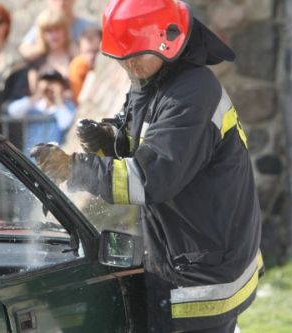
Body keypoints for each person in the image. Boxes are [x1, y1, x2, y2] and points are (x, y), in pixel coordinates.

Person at [30, 1, 263, 332]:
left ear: (168, 40)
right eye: (122, 56)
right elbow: (151, 141)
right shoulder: (158, 78)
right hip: (191, 249)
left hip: (203, 271)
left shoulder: (192, 94)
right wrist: (111, 140)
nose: (129, 64)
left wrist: (75, 169)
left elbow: (150, 178)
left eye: (135, 54)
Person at [7, 68, 75, 155]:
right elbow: (13, 111)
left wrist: (58, 97)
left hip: (55, 160)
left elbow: (65, 124)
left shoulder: (66, 106)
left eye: (54, 82)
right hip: (32, 157)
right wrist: (37, 95)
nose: (50, 85)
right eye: (46, 81)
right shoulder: (32, 105)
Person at [18, 0, 96, 62]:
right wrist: (47, 47)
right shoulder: (43, 25)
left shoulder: (88, 26)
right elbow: (24, 49)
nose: (61, 3)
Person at [68, 27, 101, 104]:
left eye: (96, 51)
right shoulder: (77, 67)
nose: (92, 56)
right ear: (80, 50)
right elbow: (79, 100)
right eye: (87, 52)